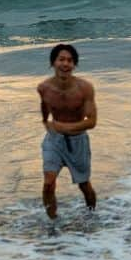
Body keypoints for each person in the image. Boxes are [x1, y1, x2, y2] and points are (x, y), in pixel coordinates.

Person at [38, 42, 97, 218]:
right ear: (53, 63)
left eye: (70, 60)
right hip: (54, 140)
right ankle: (52, 224)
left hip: (78, 141)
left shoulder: (84, 88)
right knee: (48, 183)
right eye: (61, 59)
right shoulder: (44, 88)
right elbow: (45, 106)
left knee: (84, 185)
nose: (65, 64)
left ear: (74, 65)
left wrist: (66, 127)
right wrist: (45, 122)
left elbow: (92, 121)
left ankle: (92, 216)